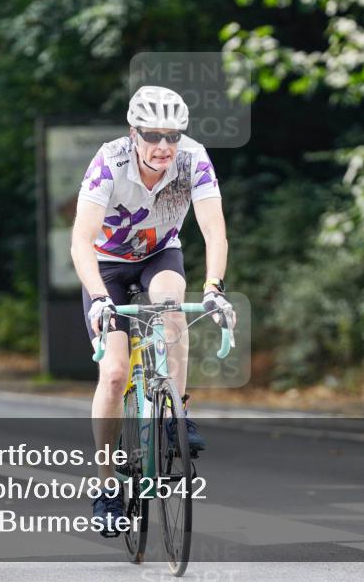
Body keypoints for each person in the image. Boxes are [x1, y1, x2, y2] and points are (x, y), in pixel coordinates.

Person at [71, 85, 233, 536]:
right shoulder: (110, 161)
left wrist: (214, 287)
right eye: (153, 135)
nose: (164, 146)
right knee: (116, 373)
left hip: (160, 253)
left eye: (173, 135)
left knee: (171, 306)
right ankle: (106, 489)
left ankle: (175, 415)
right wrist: (100, 299)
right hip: (106, 265)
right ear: (133, 132)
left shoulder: (194, 159)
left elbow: (214, 233)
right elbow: (80, 239)